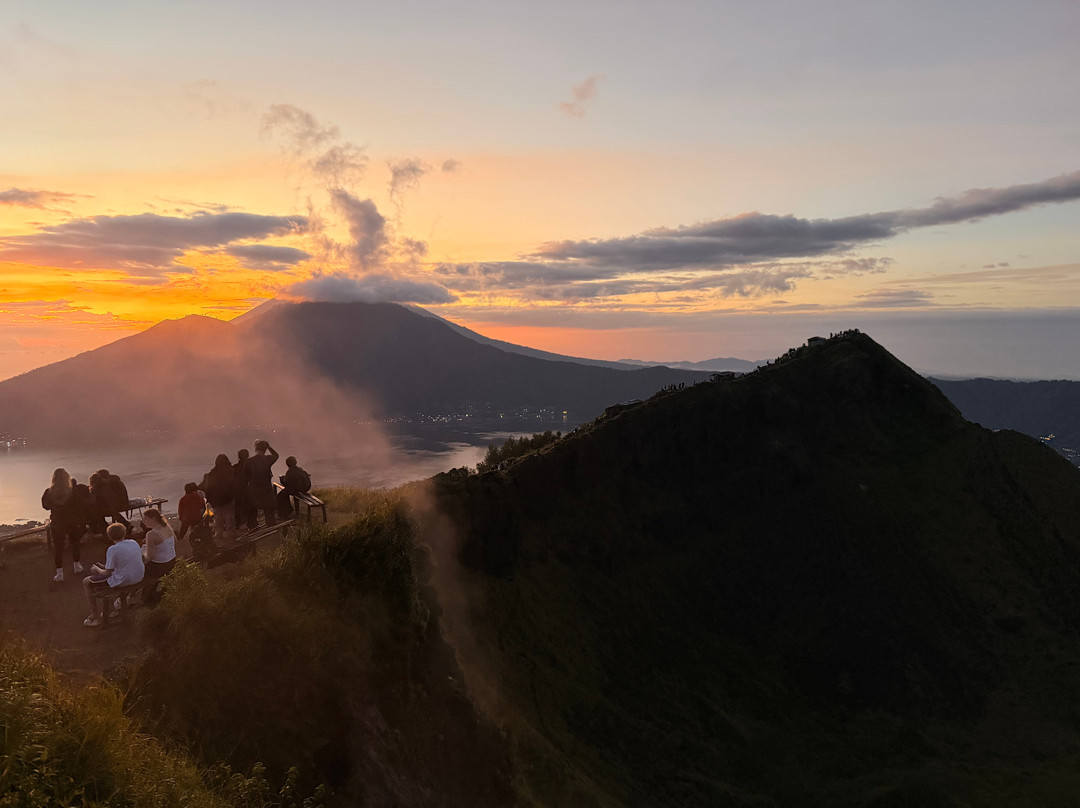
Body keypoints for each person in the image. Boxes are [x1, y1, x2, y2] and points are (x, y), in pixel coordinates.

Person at [82, 522, 143, 627]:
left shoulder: (113, 549)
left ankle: (94, 616)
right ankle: (111, 610)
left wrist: (96, 569)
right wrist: (104, 566)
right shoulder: (133, 542)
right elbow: (121, 563)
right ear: (124, 532)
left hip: (125, 580)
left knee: (86, 581)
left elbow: (106, 573)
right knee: (109, 578)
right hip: (138, 576)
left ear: (110, 536)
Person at [42, 468, 85, 582]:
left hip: (57, 521)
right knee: (75, 543)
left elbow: (45, 506)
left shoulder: (49, 492)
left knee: (58, 547)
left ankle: (59, 573)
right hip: (72, 520)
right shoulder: (73, 491)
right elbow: (79, 505)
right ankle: (77, 566)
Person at [140, 508, 177, 606]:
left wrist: (142, 552)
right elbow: (173, 542)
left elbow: (149, 557)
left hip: (160, 566)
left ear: (154, 518)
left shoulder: (151, 534)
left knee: (138, 569)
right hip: (172, 562)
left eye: (146, 519)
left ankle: (144, 598)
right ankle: (145, 595)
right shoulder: (167, 527)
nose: (144, 522)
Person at [200, 454, 237, 540]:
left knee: (218, 517)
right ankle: (230, 533)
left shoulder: (212, 473)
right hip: (228, 498)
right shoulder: (230, 471)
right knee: (229, 516)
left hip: (216, 500)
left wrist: (209, 499)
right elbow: (234, 484)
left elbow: (208, 487)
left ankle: (218, 533)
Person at [244, 440, 279, 527]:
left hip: (253, 488)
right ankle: (270, 524)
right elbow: (276, 455)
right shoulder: (267, 459)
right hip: (266, 487)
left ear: (255, 449)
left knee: (252, 509)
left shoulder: (249, 461)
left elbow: (245, 475)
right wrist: (269, 447)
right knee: (268, 508)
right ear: (265, 450)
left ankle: (252, 526)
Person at [233, 449, 255, 530]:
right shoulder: (252, 466)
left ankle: (238, 523)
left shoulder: (235, 467)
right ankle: (251, 524)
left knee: (238, 507)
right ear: (247, 455)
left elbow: (232, 479)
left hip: (238, 490)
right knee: (251, 507)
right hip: (250, 489)